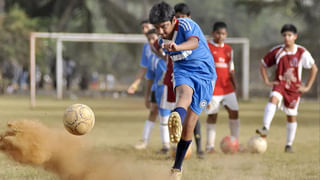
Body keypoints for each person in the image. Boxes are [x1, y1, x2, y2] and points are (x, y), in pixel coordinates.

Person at [149, 2, 217, 179]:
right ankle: (176, 117)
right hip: (182, 70)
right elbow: (159, 49)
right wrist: (159, 47)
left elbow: (194, 42)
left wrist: (177, 46)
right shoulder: (160, 40)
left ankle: (177, 165)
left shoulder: (186, 24)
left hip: (205, 74)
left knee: (190, 126)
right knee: (184, 94)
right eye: (157, 28)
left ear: (173, 20)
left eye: (164, 26)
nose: (161, 31)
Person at [256, 24, 318, 153]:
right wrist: (267, 80)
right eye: (284, 35)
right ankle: (265, 127)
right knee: (273, 98)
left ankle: (288, 145)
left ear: (295, 37)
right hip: (280, 84)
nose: (286, 38)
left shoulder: (302, 52)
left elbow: (314, 68)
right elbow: (263, 65)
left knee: (291, 116)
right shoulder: (277, 51)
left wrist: (307, 87)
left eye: (289, 35)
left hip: (294, 89)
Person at [173, 2, 204, 159]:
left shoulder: (193, 33)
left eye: (183, 17)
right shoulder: (175, 35)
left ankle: (199, 148)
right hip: (183, 76)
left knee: (194, 117)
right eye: (177, 18)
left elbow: (196, 45)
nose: (181, 20)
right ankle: (177, 122)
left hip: (200, 78)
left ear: (189, 18)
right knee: (185, 100)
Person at [205, 22, 241, 153]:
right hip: (213, 89)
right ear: (213, 33)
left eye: (224, 33)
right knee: (213, 115)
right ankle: (209, 146)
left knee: (234, 112)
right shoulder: (207, 47)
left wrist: (235, 85)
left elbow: (231, 69)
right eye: (218, 33)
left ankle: (235, 142)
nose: (221, 36)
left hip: (227, 88)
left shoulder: (228, 49)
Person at [129, 20, 159, 150]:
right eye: (142, 28)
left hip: (168, 84)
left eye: (146, 27)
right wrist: (135, 84)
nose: (144, 30)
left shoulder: (163, 43)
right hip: (154, 83)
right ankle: (144, 140)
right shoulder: (147, 47)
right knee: (153, 111)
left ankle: (172, 144)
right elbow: (144, 68)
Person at [144, 29, 175, 153]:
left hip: (174, 90)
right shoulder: (153, 60)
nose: (152, 42)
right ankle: (166, 146)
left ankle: (180, 144)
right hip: (160, 91)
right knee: (163, 116)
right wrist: (147, 96)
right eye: (149, 40)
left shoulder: (172, 56)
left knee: (178, 117)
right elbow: (150, 77)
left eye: (154, 39)